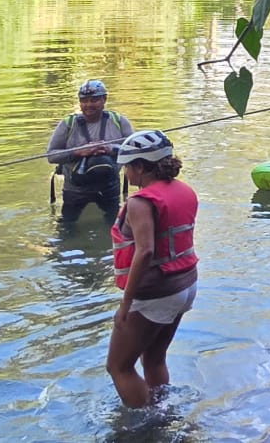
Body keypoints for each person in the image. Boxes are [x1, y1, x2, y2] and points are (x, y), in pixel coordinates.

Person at [107, 130, 199, 408]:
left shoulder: (140, 203)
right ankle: (161, 410)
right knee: (154, 357)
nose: (126, 173)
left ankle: (145, 428)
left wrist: (126, 304)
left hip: (155, 294)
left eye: (128, 166)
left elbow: (145, 251)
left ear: (141, 166)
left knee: (118, 367)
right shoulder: (183, 190)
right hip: (185, 286)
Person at [46, 79, 133, 228]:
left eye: (94, 100)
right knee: (67, 228)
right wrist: (79, 152)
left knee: (114, 229)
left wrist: (110, 148)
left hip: (109, 187)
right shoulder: (68, 124)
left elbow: (134, 152)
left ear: (104, 99)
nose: (88, 105)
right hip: (75, 189)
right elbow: (51, 155)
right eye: (84, 101)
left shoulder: (119, 121)